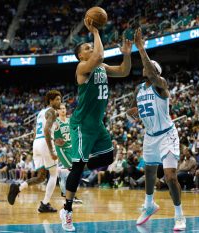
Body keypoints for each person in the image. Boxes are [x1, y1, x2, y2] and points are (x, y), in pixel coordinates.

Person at [60, 17, 132, 232]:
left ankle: (75, 169)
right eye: (87, 48)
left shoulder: (101, 66)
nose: (91, 49)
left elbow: (124, 71)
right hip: (82, 125)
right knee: (79, 166)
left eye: (91, 46)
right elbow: (99, 54)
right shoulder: (83, 67)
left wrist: (127, 55)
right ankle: (67, 210)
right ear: (80, 56)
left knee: (108, 158)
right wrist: (96, 32)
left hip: (97, 125)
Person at [127, 28, 186, 231]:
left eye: (150, 67)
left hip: (167, 135)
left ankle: (179, 215)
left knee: (170, 177)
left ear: (156, 72)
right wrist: (133, 112)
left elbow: (151, 73)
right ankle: (149, 205)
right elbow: (139, 110)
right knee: (150, 173)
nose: (146, 67)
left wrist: (141, 48)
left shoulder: (161, 85)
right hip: (150, 137)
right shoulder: (139, 90)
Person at [8, 90, 62, 213]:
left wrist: (53, 141)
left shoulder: (40, 113)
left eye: (60, 99)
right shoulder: (52, 112)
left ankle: (18, 187)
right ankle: (45, 204)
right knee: (54, 174)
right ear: (51, 101)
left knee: (41, 177)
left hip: (37, 143)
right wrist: (51, 150)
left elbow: (39, 131)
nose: (60, 102)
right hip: (45, 143)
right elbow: (47, 131)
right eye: (57, 99)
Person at [54, 103, 82, 203]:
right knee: (73, 170)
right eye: (60, 109)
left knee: (75, 170)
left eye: (64, 108)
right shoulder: (55, 122)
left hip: (72, 147)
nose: (63, 110)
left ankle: (64, 183)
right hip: (62, 149)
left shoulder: (70, 120)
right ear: (57, 111)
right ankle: (70, 196)